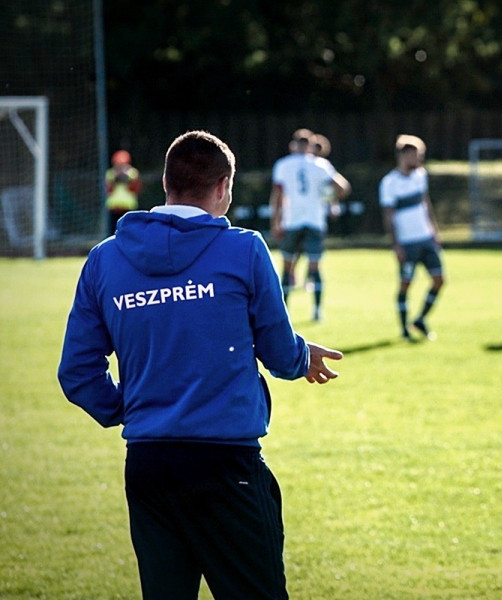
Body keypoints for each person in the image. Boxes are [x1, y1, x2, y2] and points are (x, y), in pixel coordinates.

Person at [58, 130, 343, 600]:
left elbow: (77, 372)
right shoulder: (243, 249)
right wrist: (302, 358)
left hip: (149, 466)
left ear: (164, 183)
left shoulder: (104, 261)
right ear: (224, 186)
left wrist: (126, 407)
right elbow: (277, 351)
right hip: (225, 465)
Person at [269, 128, 352, 321]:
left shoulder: (283, 165)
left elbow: (278, 196)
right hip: (315, 220)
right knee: (315, 266)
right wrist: (328, 198)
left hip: (292, 220)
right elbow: (343, 187)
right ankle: (316, 310)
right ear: (310, 145)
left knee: (287, 267)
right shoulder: (321, 164)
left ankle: (285, 311)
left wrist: (276, 221)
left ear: (294, 145)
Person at [380, 134, 445, 341]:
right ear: (403, 155)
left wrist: (434, 231)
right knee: (406, 284)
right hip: (407, 243)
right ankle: (404, 328)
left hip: (425, 238)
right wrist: (396, 244)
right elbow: (388, 216)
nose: (419, 160)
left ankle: (420, 319)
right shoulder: (390, 182)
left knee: (439, 280)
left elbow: (426, 203)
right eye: (416, 156)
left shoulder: (420, 176)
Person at [105, 149, 142, 236]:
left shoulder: (133, 174)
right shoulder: (110, 174)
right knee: (113, 233)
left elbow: (135, 189)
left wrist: (127, 179)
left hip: (128, 208)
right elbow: (109, 190)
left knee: (129, 232)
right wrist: (116, 178)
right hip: (114, 208)